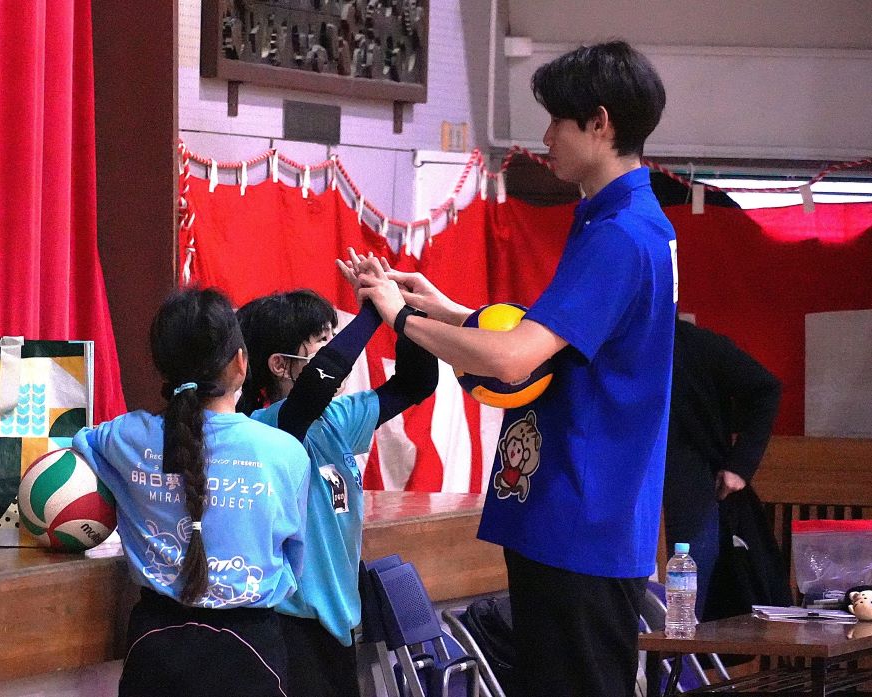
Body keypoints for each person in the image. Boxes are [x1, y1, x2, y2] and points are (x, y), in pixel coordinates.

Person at [341, 41, 675, 697]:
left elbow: (513, 356)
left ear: (599, 123)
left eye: (556, 120)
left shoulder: (620, 234)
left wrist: (400, 319)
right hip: (583, 513)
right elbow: (549, 339)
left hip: (580, 515)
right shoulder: (624, 220)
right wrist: (440, 306)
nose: (544, 137)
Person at [72, 287, 310, 697]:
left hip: (155, 646)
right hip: (251, 649)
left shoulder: (126, 437)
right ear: (241, 362)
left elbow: (77, 447)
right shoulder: (284, 452)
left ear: (164, 368)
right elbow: (294, 556)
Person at [236, 288, 438, 697]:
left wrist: (404, 313)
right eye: (322, 341)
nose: (336, 350)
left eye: (333, 337)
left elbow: (416, 382)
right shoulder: (264, 428)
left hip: (339, 625)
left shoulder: (338, 418)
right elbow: (318, 382)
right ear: (280, 365)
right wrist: (373, 312)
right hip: (287, 626)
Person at [665, 316, 782, 620]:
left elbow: (765, 388)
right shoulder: (609, 343)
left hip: (688, 489)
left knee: (684, 612)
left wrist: (740, 466)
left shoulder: (693, 343)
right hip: (625, 494)